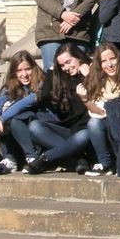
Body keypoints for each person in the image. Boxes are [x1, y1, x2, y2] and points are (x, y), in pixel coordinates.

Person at [26, 42, 93, 174]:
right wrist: (52, 72)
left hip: (88, 130)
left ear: (78, 57)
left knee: (84, 135)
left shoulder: (92, 72)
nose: (66, 67)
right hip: (69, 132)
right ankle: (79, 158)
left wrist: (89, 76)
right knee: (35, 126)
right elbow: (43, 96)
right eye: (62, 65)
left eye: (68, 62)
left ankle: (45, 159)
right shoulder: (62, 78)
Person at [78, 43, 120, 176]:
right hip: (107, 119)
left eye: (112, 59)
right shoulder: (97, 80)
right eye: (104, 61)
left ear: (119, 58)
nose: (109, 64)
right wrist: (85, 100)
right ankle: (105, 164)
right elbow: (99, 113)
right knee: (93, 123)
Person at [0, 50, 44, 173]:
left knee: (13, 119)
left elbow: (25, 103)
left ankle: (32, 157)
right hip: (18, 124)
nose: (24, 74)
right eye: (19, 71)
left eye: (27, 69)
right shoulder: (12, 84)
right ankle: (9, 157)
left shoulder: (42, 82)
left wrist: (1, 119)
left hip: (38, 122)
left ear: (33, 67)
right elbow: (1, 99)